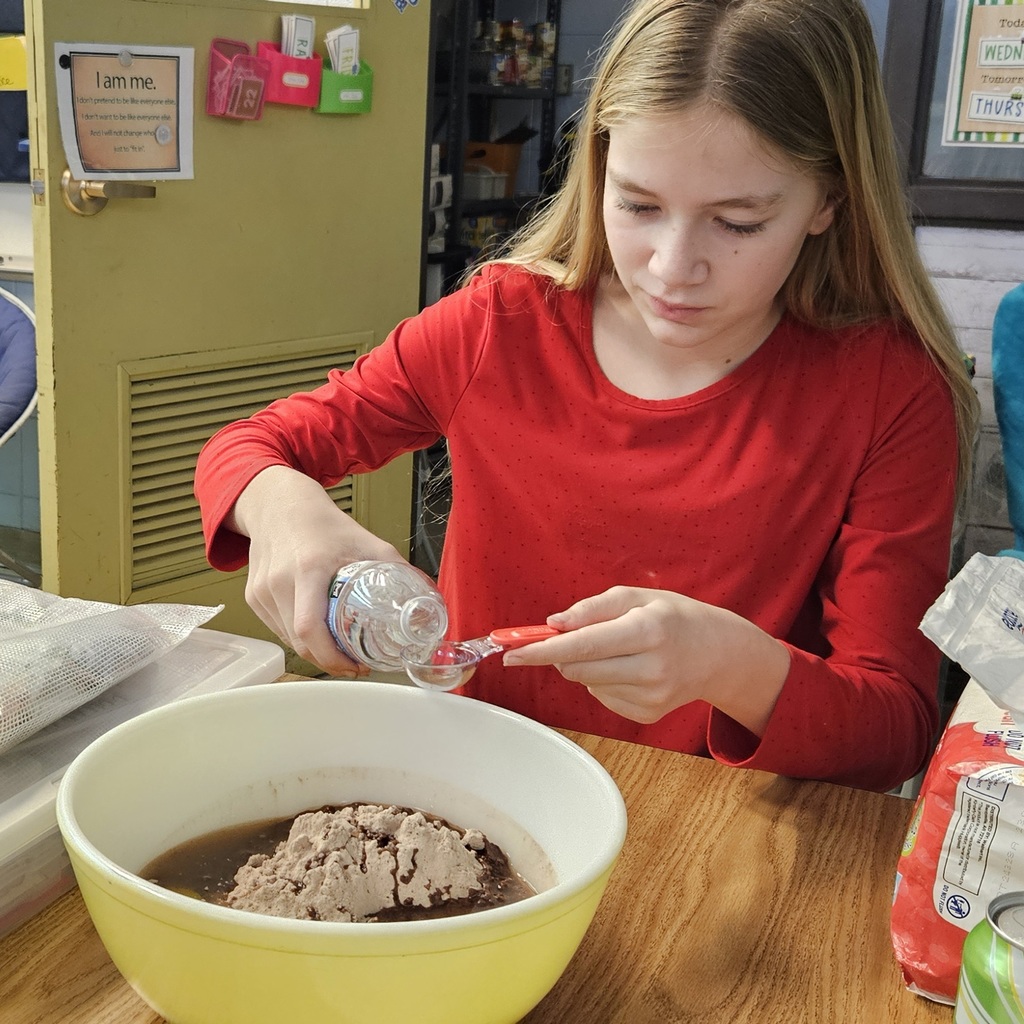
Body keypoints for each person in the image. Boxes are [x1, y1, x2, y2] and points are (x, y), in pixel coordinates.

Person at [195, 0, 979, 793]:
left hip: (721, 825)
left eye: (738, 222)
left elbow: (896, 730)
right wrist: (284, 513)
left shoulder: (890, 390)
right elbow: (249, 449)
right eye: (638, 205)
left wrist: (733, 667)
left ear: (829, 203)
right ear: (598, 169)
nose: (673, 267)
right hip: (485, 790)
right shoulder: (499, 325)